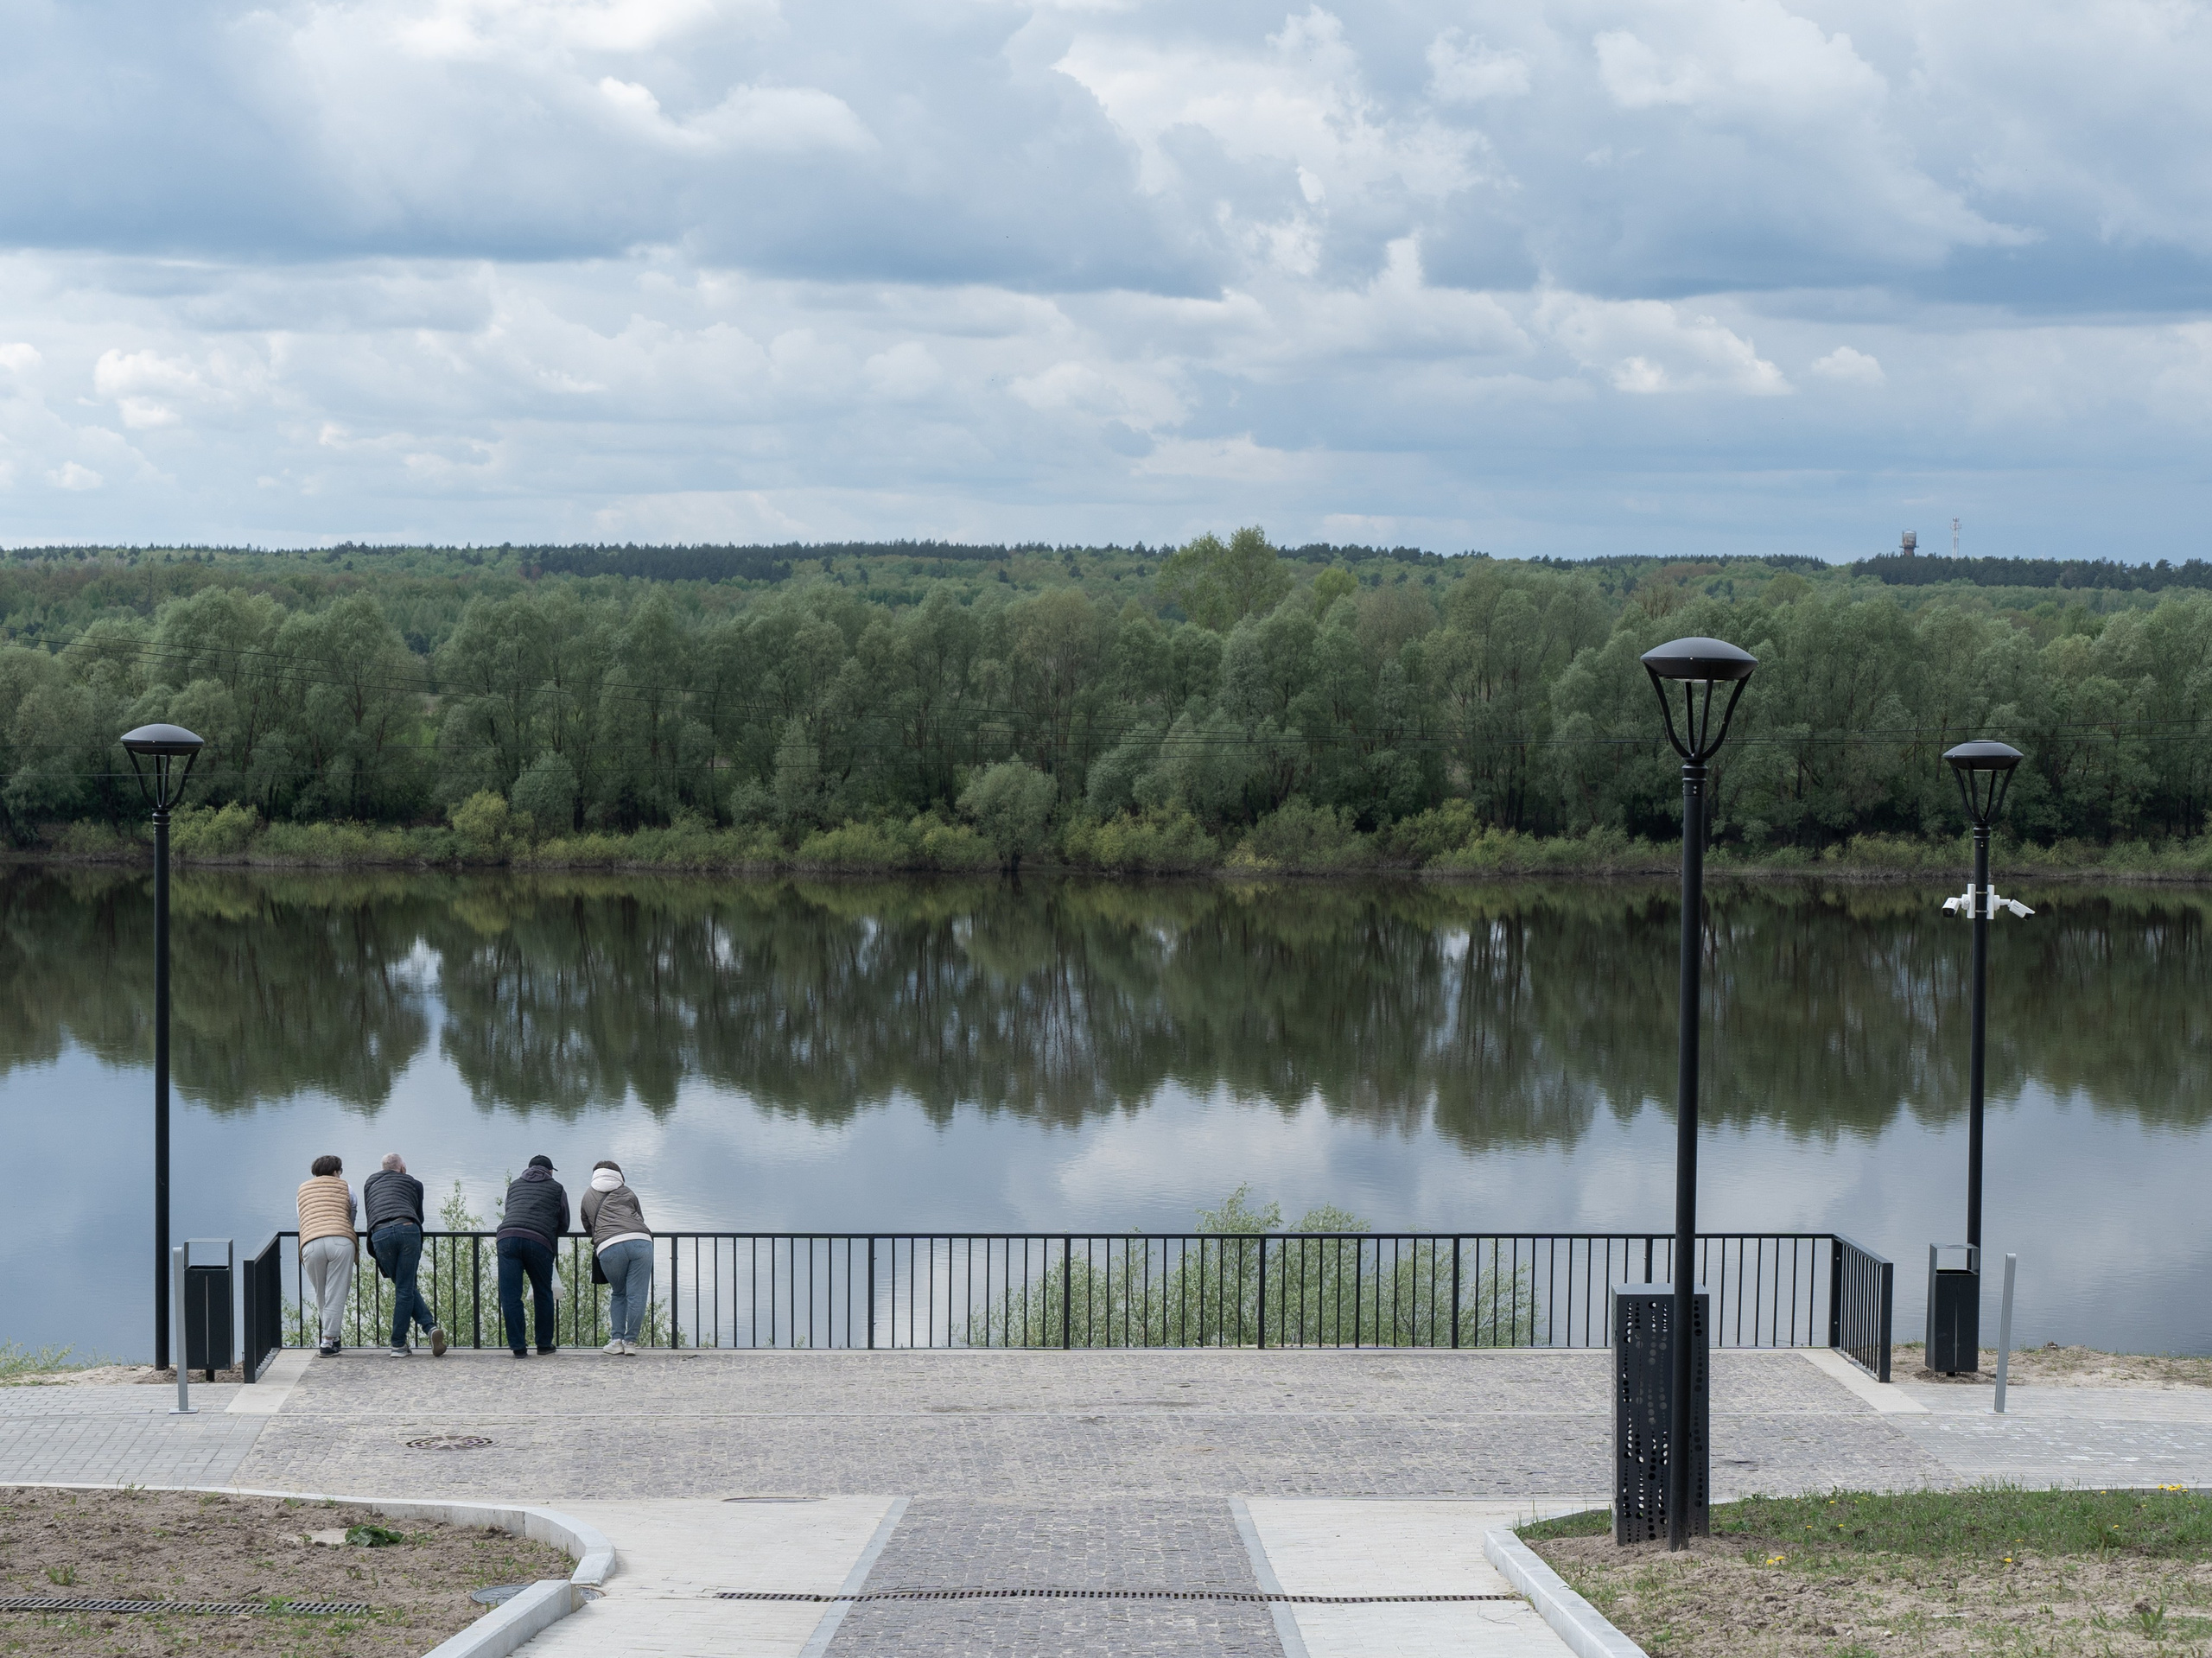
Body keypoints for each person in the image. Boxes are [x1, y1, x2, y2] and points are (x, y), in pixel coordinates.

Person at [363, 1153, 447, 1357]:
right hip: (408, 1228)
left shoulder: (369, 1184)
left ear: (383, 1168)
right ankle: (402, 1341)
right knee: (405, 1287)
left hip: (380, 1233)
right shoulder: (414, 1183)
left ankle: (425, 1330)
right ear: (402, 1168)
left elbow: (371, 1212)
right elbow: (420, 1216)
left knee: (404, 1287)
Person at [497, 1154, 568, 1357]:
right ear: (550, 1171)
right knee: (543, 1292)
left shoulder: (515, 1185)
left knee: (510, 1296)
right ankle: (544, 1345)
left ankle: (518, 1347)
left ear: (527, 1170)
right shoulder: (557, 1187)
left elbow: (509, 1209)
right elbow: (564, 1222)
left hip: (507, 1237)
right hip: (539, 1241)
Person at [582, 1160, 653, 1355]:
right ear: (619, 1175)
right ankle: (631, 1343)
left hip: (609, 1245)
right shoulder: (628, 1192)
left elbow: (588, 1226)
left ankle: (616, 1341)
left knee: (619, 1293)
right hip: (641, 1241)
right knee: (637, 1295)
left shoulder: (588, 1195)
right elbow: (640, 1217)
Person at [296, 1154, 357, 1356]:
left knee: (321, 1292)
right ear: (335, 1172)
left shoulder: (302, 1189)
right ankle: (328, 1341)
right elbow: (352, 1213)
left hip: (311, 1242)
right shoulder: (346, 1187)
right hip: (341, 1240)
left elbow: (301, 1216)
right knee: (336, 1292)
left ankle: (332, 1338)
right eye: (340, 1171)